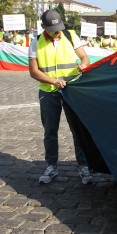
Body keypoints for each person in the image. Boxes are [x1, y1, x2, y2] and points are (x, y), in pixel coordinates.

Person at [28, 9, 93, 185]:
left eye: (59, 27)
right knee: (50, 131)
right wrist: (53, 81)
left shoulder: (71, 36)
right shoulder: (36, 42)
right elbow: (33, 71)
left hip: (72, 90)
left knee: (78, 130)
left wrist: (84, 65)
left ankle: (84, 166)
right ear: (43, 27)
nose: (57, 32)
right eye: (52, 28)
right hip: (49, 91)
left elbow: (84, 58)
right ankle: (51, 166)